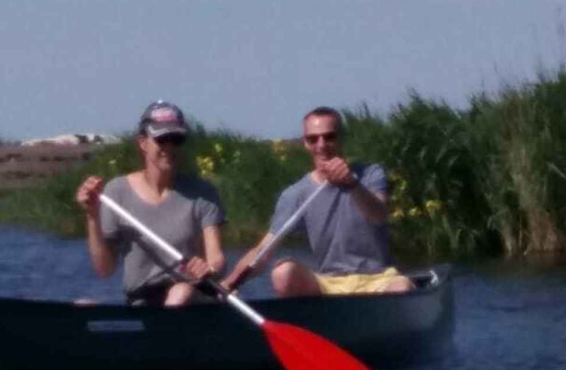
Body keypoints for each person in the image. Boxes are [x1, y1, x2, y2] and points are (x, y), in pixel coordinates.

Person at [223, 106, 413, 296]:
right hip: (329, 283)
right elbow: (263, 251)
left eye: (329, 137)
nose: (321, 145)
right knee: (282, 273)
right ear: (305, 144)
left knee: (402, 286)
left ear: (341, 138)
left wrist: (352, 184)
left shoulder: (370, 174)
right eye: (312, 139)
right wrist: (230, 283)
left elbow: (378, 215)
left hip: (378, 279)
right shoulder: (296, 194)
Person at [75, 100, 226, 306]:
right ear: (143, 142)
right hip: (142, 301)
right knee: (83, 305)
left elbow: (216, 258)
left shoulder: (203, 193)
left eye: (177, 139)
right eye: (162, 139)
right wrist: (92, 215)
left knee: (180, 292)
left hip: (192, 296)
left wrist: (208, 268)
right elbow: (104, 269)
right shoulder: (116, 191)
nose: (169, 147)